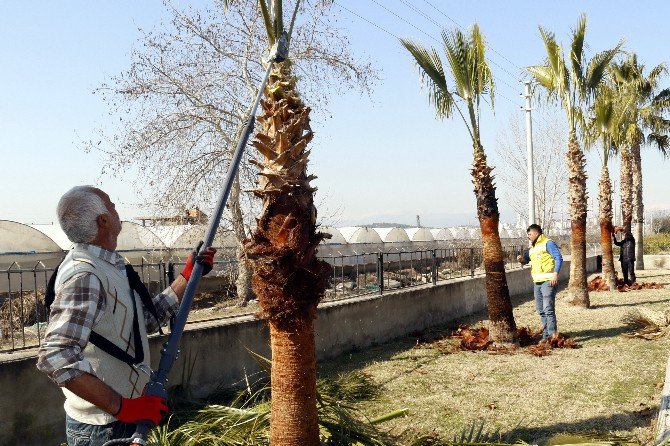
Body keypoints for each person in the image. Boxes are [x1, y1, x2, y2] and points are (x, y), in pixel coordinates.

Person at [37, 186, 217, 446]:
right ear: (104, 220)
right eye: (111, 205)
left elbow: (144, 321)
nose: (117, 209)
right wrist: (123, 408)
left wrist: (188, 277)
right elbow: (55, 355)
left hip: (121, 419)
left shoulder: (108, 266)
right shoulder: (85, 275)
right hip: (104, 428)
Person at [516, 224, 563, 340]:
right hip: (537, 282)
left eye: (530, 234)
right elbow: (526, 260)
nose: (528, 237)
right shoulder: (532, 248)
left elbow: (558, 258)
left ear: (536, 233)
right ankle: (546, 335)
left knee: (548, 309)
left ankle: (552, 336)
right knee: (541, 310)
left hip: (548, 281)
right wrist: (521, 260)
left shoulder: (548, 243)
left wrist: (555, 274)